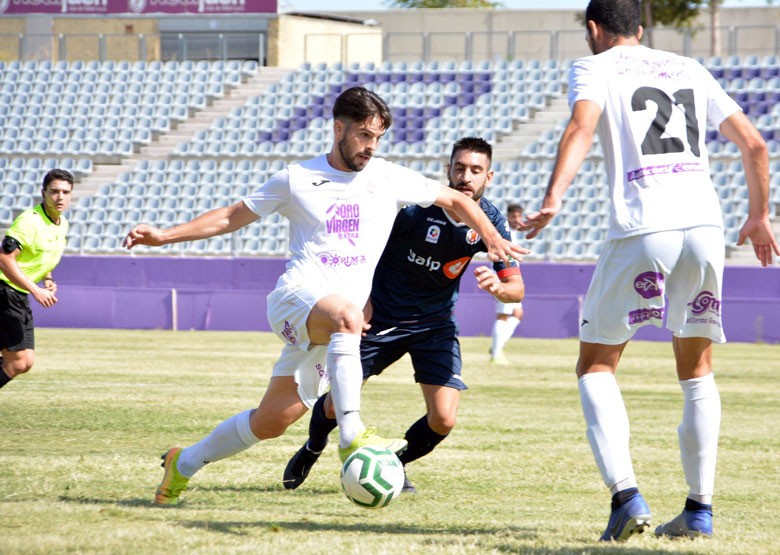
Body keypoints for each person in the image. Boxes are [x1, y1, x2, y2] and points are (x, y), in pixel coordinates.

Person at [122, 87, 524, 506]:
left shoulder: (387, 177)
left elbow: (456, 198)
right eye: (365, 135)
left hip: (334, 326)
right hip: (297, 298)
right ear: (339, 128)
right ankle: (352, 437)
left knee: (272, 421)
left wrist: (494, 239)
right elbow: (230, 216)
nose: (371, 146)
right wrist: (164, 235)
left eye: (379, 138)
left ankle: (182, 463)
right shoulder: (296, 179)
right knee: (350, 316)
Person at [520, 0, 780, 543]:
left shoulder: (595, 66)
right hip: (706, 227)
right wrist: (758, 216)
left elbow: (581, 128)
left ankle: (625, 496)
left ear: (594, 29)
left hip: (645, 225)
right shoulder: (689, 68)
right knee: (697, 370)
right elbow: (755, 144)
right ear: (641, 28)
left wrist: (553, 197)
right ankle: (700, 510)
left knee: (595, 364)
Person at [283, 136, 526, 494]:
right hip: (383, 318)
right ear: (448, 170)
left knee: (444, 418)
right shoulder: (415, 211)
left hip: (435, 325)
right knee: (336, 404)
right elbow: (370, 252)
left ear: (489, 177)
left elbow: (516, 288)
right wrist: (362, 299)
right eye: (459, 168)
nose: (466, 176)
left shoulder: (490, 224)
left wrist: (498, 289)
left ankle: (392, 464)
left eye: (476, 170)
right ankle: (312, 448)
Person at [0, 168, 74, 390]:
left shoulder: (62, 224)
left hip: (18, 294)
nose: (60, 197)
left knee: (26, 362)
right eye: (54, 191)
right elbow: (4, 258)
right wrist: (36, 290)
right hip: (5, 290)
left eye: (65, 192)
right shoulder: (29, 221)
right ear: (43, 193)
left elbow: (42, 255)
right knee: (19, 362)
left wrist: (47, 278)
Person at [489, 203, 525, 364]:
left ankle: (498, 346)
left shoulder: (515, 233)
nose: (517, 219)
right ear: (508, 216)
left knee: (517, 313)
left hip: (512, 277)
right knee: (503, 315)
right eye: (514, 216)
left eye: (519, 216)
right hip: (503, 277)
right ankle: (496, 355)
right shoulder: (503, 232)